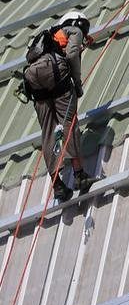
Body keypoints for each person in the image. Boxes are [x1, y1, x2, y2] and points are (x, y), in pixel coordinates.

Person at [22, 11, 95, 202]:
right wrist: (77, 83)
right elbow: (71, 55)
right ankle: (79, 175)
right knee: (68, 122)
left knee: (48, 131)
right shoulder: (73, 30)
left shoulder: (49, 37)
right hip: (54, 69)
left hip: (31, 77)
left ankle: (58, 187)